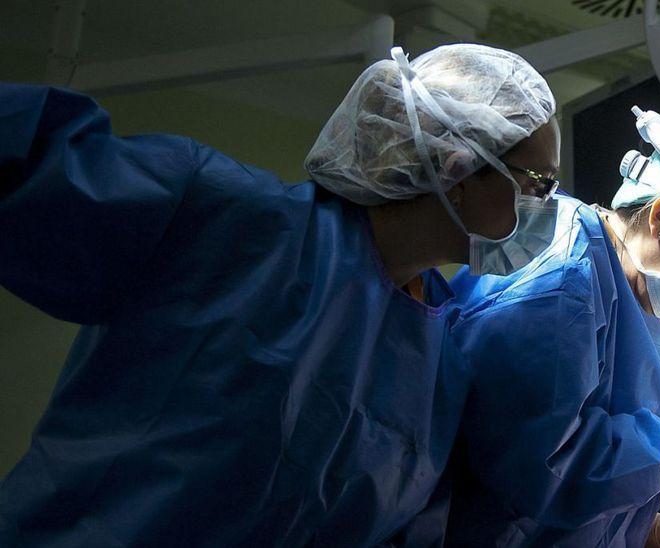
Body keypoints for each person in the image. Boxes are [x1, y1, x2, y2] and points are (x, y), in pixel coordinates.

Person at [0, 43, 558, 546]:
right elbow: (24, 153)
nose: (548, 208)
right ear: (457, 169)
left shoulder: (443, 357)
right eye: (538, 185)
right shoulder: (226, 220)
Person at [439, 117, 660, 546]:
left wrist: (654, 531)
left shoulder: (630, 294)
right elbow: (534, 467)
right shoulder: (564, 278)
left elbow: (580, 490)